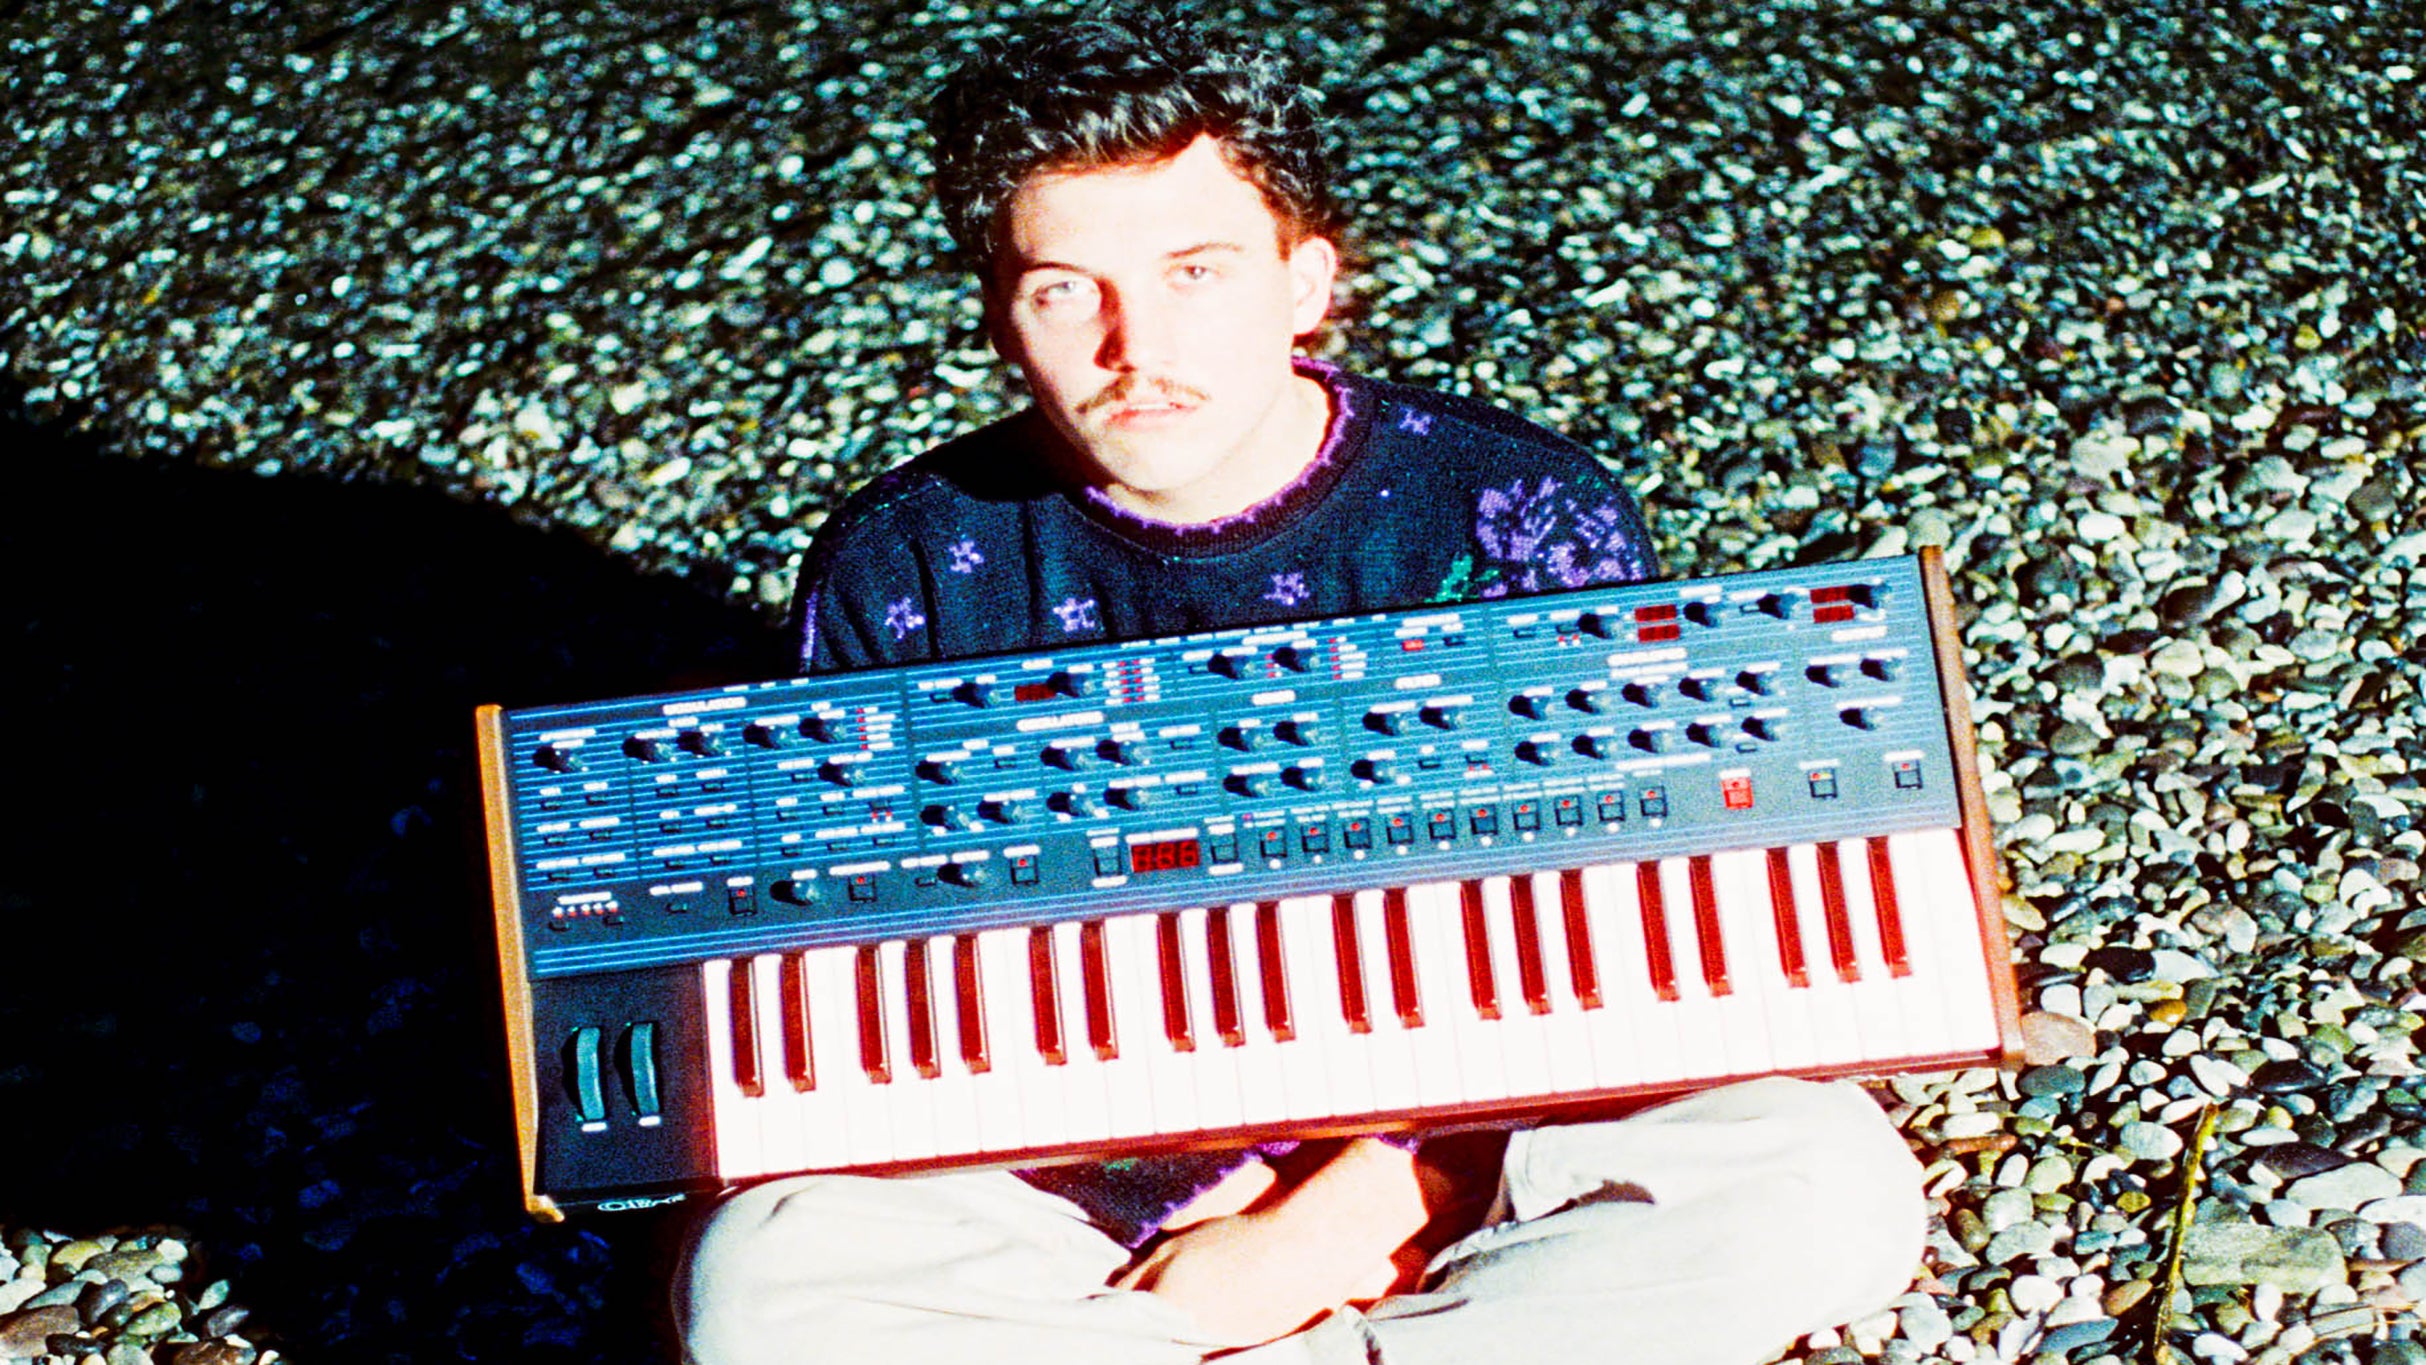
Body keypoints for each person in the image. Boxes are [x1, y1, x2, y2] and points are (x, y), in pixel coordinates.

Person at [680, 11, 1925, 1364]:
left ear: (1305, 280)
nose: (1134, 343)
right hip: (1078, 1187)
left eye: (1195, 272)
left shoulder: (1517, 508)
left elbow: (1627, 931)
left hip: (1484, 1149)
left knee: (1825, 1180)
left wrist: (1345, 1214)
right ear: (998, 315)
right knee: (762, 1282)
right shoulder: (907, 559)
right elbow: (885, 971)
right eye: (1065, 290)